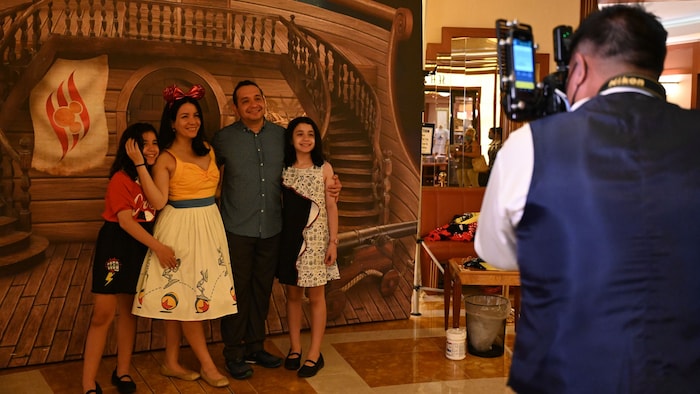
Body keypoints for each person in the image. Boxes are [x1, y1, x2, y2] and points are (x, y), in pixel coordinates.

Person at [475, 5, 700, 393]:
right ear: (655, 67)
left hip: (564, 375)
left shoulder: (533, 144)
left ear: (577, 67)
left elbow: (495, 251)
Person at [213, 80, 341, 380]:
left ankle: (255, 346)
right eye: (245, 101)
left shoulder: (282, 137)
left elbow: (311, 167)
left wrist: (334, 185)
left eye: (257, 98)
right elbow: (202, 172)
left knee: (262, 291)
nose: (253, 104)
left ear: (264, 101)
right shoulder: (223, 139)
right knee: (237, 292)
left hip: (273, 230)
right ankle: (234, 351)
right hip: (237, 228)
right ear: (236, 108)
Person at [131, 84, 235, 388]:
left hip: (209, 224)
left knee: (185, 298)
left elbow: (214, 190)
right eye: (185, 116)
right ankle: (207, 364)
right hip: (180, 228)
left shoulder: (208, 148)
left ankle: (171, 362)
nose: (192, 121)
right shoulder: (165, 157)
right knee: (188, 296)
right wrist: (141, 165)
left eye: (196, 115)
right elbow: (160, 201)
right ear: (172, 122)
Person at [82, 123, 175, 394]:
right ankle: (88, 381)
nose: (151, 148)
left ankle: (122, 370)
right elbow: (125, 222)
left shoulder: (152, 177)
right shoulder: (119, 179)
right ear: (130, 146)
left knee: (129, 312)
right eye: (143, 143)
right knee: (103, 313)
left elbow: (157, 205)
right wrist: (159, 247)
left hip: (140, 248)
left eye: (155, 142)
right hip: (116, 246)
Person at [277, 116, 340, 378]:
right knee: (292, 296)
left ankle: (314, 353)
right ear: (291, 139)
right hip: (289, 240)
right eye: (299, 134)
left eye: (310, 134)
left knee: (316, 297)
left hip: (316, 240)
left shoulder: (324, 168)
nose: (305, 139)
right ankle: (294, 348)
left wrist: (333, 242)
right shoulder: (283, 168)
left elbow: (331, 205)